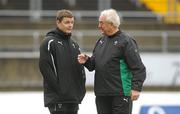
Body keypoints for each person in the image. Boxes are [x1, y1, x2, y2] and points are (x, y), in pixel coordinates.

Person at [78, 9, 146, 114]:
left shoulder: (126, 41)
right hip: (102, 94)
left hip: (120, 94)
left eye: (101, 23)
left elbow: (139, 68)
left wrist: (136, 88)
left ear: (111, 24)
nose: (99, 26)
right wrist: (87, 61)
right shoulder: (100, 41)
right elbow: (93, 65)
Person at [39, 9, 86, 114]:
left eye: (72, 22)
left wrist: (81, 91)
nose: (70, 25)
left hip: (73, 99)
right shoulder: (49, 42)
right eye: (67, 22)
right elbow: (45, 68)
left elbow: (80, 69)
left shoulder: (74, 44)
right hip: (58, 99)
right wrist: (61, 90)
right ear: (58, 22)